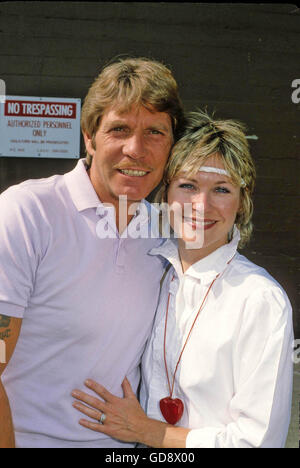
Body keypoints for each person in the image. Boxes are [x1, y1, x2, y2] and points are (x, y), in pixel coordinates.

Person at [72, 110, 294, 448]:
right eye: (187, 185)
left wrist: (149, 432)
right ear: (165, 195)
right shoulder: (151, 272)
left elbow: (257, 443)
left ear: (242, 203)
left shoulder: (259, 300)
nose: (201, 205)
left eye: (221, 189)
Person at [0, 57, 185, 448]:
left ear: (171, 147)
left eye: (155, 132)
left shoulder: (167, 230)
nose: (136, 150)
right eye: (120, 129)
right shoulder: (28, 211)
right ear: (89, 136)